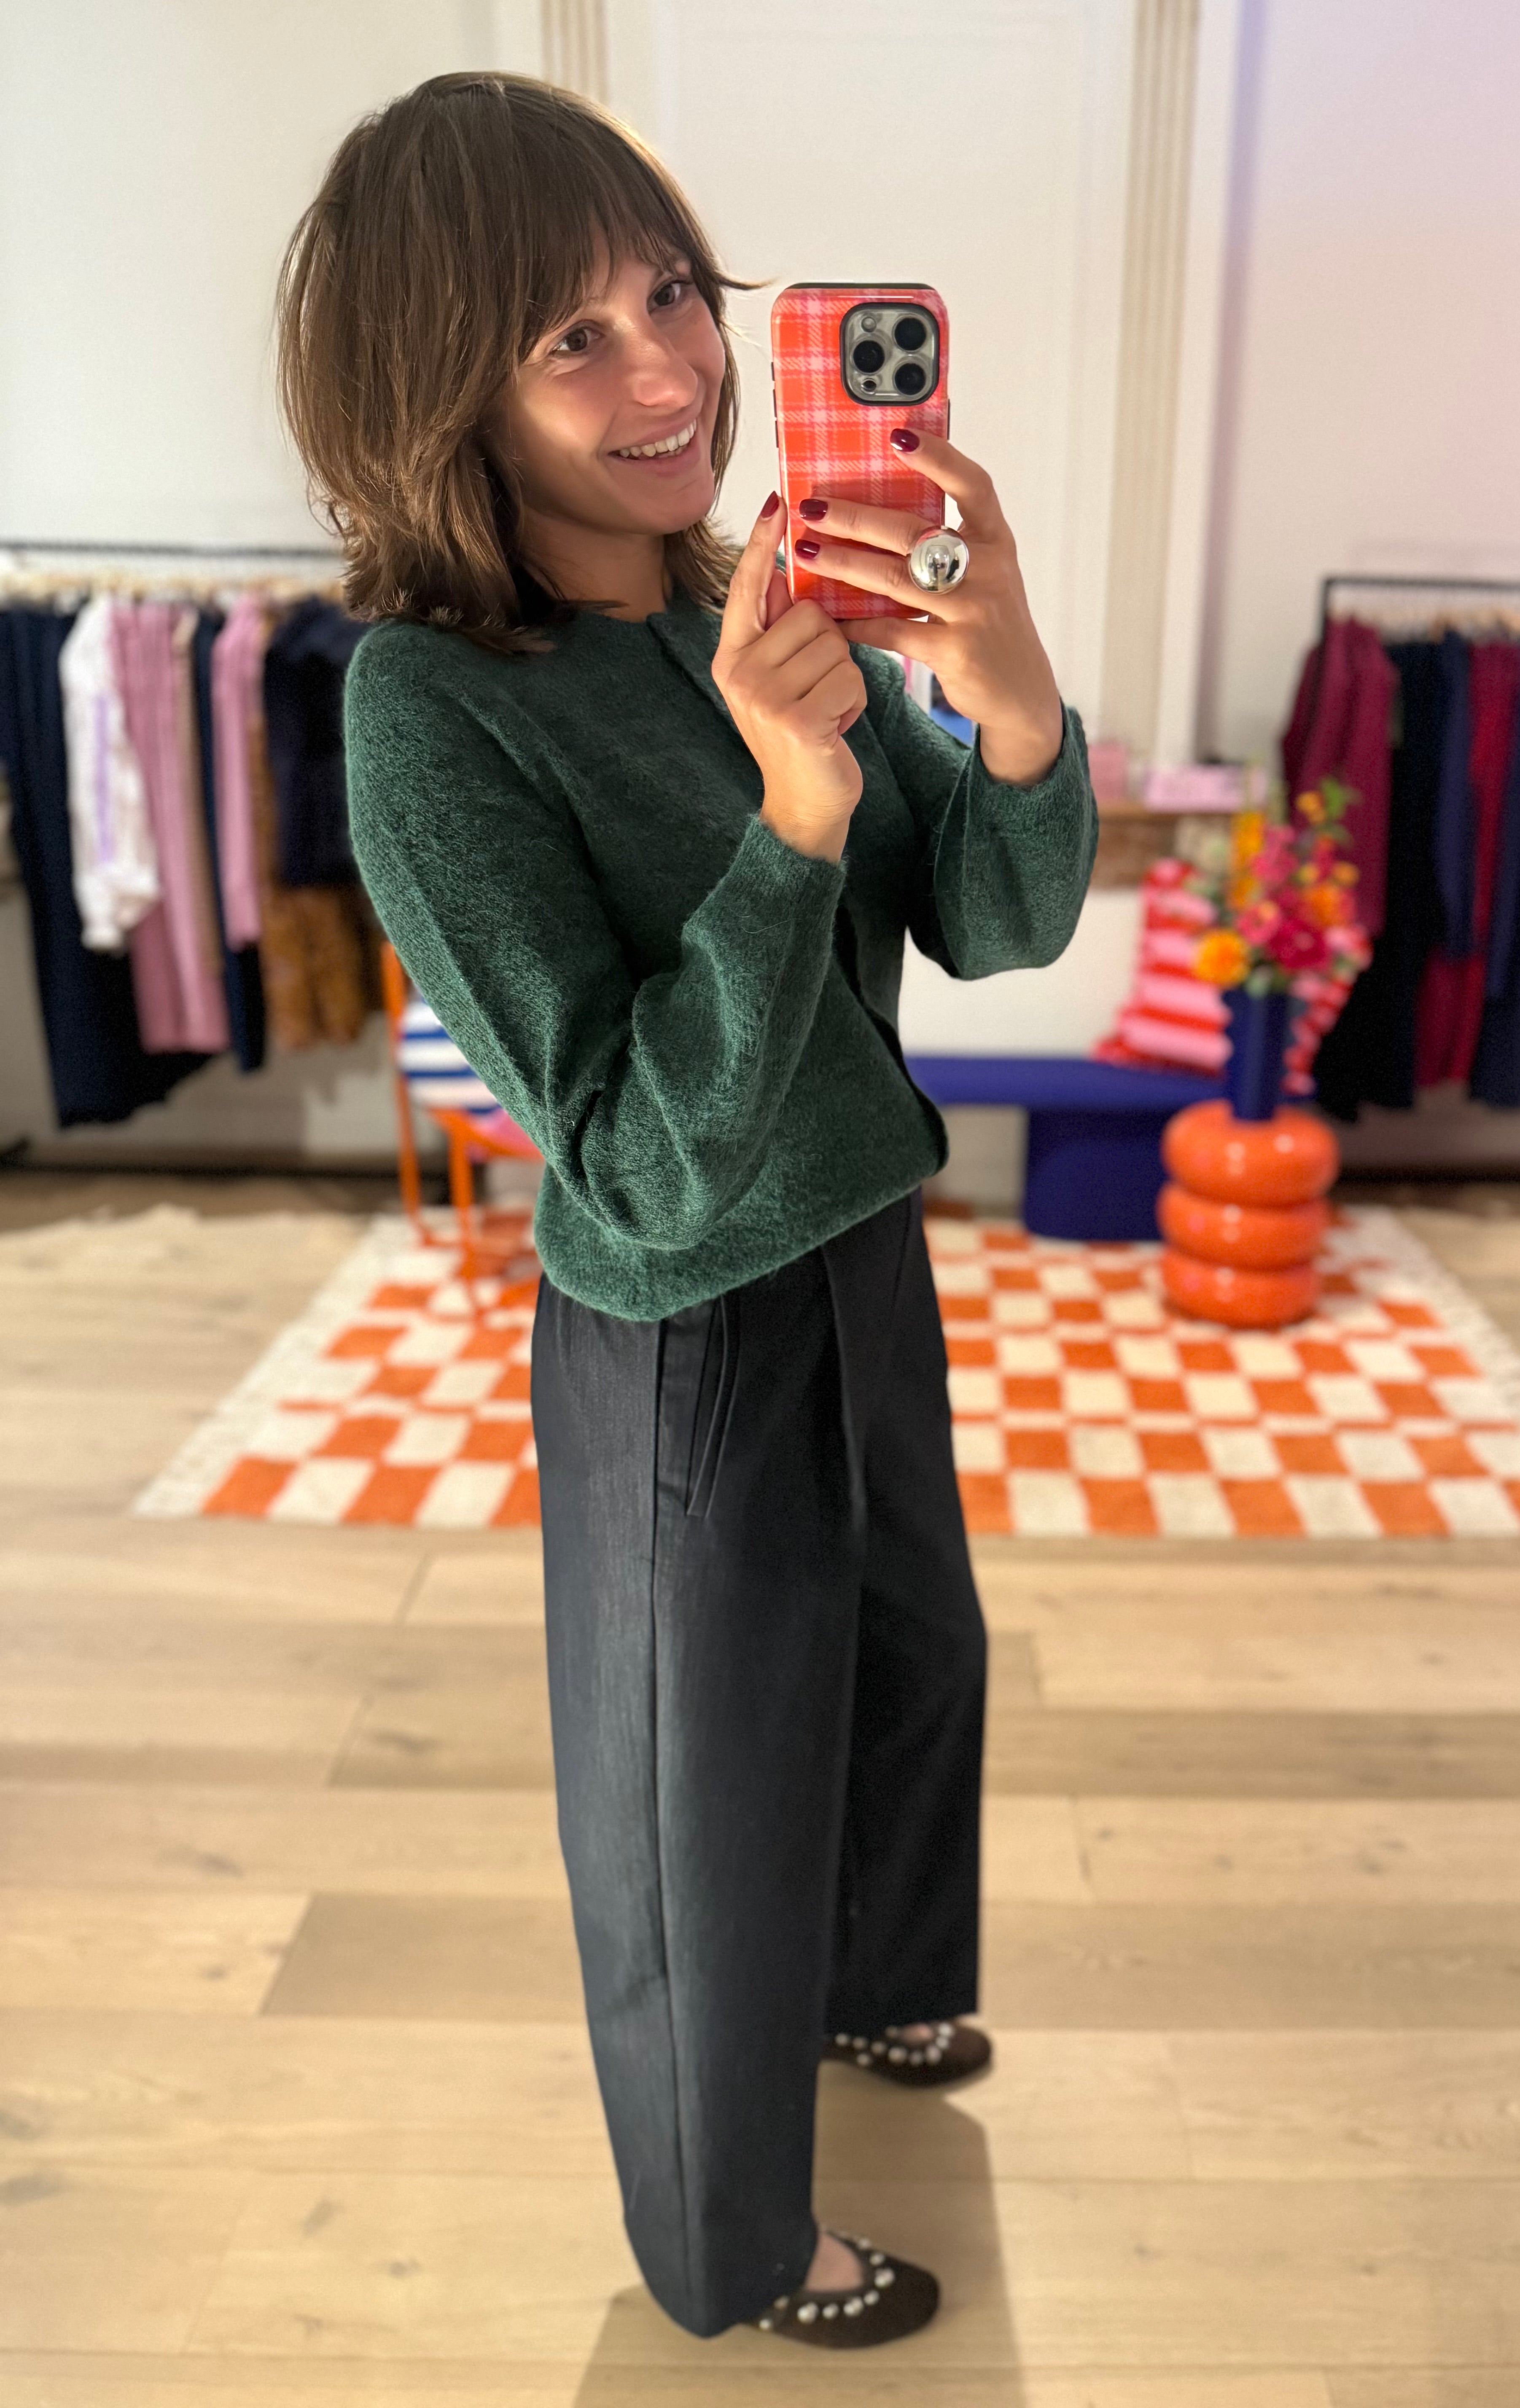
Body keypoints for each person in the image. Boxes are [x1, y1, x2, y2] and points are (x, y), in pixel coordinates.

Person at [277, 70, 1096, 2350]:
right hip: (681, 1331)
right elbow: (626, 1151)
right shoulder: (434, 711)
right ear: (437, 390)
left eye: (673, 293)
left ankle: (885, 1981)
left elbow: (1000, 924)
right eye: (573, 337)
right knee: (695, 1800)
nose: (671, 371)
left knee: (913, 1662)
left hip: (860, 1245)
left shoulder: (758, 583)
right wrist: (795, 812)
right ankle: (733, 2246)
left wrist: (1010, 694)